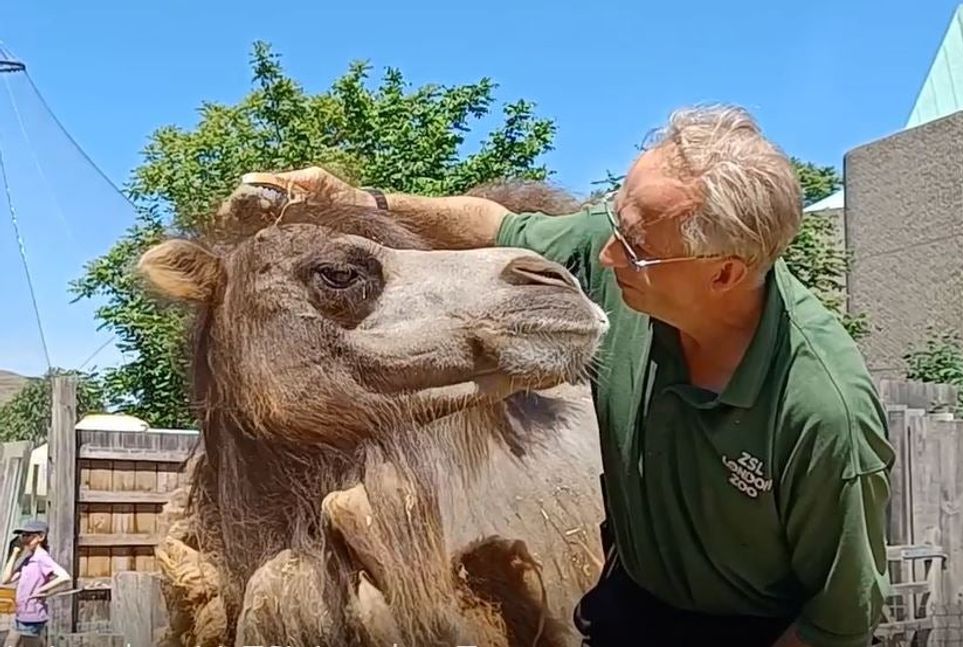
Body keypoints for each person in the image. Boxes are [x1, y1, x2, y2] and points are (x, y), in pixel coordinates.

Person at [240, 104, 895, 647]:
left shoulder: (822, 412)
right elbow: (497, 225)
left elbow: (838, 620)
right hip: (632, 607)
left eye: (634, 246)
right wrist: (361, 197)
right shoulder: (634, 276)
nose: (603, 255)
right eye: (616, 223)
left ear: (722, 273)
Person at [1, 519, 71, 646]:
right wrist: (14, 554)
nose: (24, 540)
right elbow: (5, 580)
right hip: (20, 614)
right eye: (23, 536)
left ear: (41, 537)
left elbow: (64, 576)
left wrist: (42, 590)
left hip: (32, 616)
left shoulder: (42, 558)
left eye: (28, 536)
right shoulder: (29, 559)